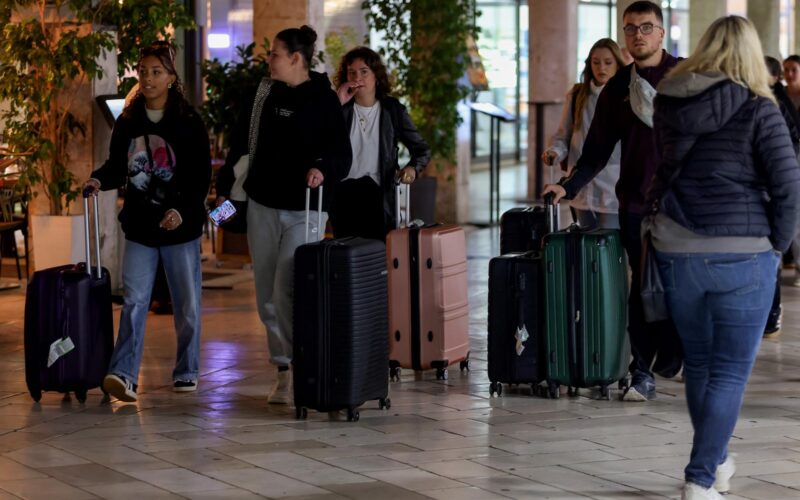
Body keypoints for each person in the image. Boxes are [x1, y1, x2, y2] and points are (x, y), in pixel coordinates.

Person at [648, 16, 800, 499]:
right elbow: (789, 186)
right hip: (743, 252)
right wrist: (776, 247)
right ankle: (699, 480)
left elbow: (664, 168)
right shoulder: (760, 107)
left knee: (699, 363)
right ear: (751, 54)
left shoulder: (668, 101)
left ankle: (715, 460)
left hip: (676, 248)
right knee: (729, 371)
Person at [542, 0, 681, 401]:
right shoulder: (617, 89)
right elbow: (596, 151)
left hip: (681, 207)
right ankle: (642, 372)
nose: (638, 34)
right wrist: (567, 186)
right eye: (631, 28)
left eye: (646, 27)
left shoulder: (684, 77)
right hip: (635, 204)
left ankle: (674, 352)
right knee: (640, 290)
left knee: (680, 286)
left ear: (661, 32)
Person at [215, 25, 351, 404]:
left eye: (274, 54)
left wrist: (322, 168)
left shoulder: (323, 98)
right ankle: (284, 368)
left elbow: (340, 152)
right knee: (266, 296)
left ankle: (304, 362)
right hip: (262, 204)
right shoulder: (263, 93)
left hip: (305, 209)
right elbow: (241, 143)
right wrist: (225, 189)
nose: (269, 60)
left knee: (286, 288)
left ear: (295, 58)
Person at [84, 41, 211, 402]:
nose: (148, 78)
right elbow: (116, 166)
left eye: (157, 72)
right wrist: (98, 179)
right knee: (135, 301)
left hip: (180, 228)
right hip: (140, 226)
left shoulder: (188, 122)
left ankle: (187, 370)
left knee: (186, 304)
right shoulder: (129, 120)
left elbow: (200, 177)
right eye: (143, 71)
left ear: (171, 77)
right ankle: (124, 374)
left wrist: (181, 211)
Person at [331, 46, 431, 240]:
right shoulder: (339, 108)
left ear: (376, 75)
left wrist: (412, 168)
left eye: (364, 72)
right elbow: (319, 141)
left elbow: (422, 150)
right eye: (352, 72)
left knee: (378, 252)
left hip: (378, 194)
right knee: (346, 254)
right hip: (343, 194)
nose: (357, 78)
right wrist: (335, 105)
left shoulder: (392, 110)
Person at [542, 38, 625, 229]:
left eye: (608, 62)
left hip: (612, 185)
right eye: (596, 62)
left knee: (608, 240)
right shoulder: (577, 95)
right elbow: (563, 135)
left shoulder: (625, 96)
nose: (601, 68)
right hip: (580, 184)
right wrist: (554, 152)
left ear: (617, 65)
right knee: (585, 240)